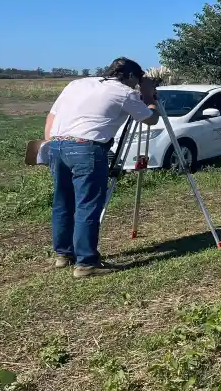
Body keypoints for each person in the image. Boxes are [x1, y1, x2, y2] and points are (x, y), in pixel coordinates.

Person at [44, 57, 160, 278]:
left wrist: (48, 145)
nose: (134, 86)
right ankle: (86, 263)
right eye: (135, 81)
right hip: (87, 148)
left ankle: (63, 255)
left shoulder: (77, 84)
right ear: (130, 76)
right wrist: (148, 97)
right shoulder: (124, 92)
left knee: (62, 202)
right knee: (87, 205)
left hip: (57, 145)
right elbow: (150, 119)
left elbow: (52, 116)